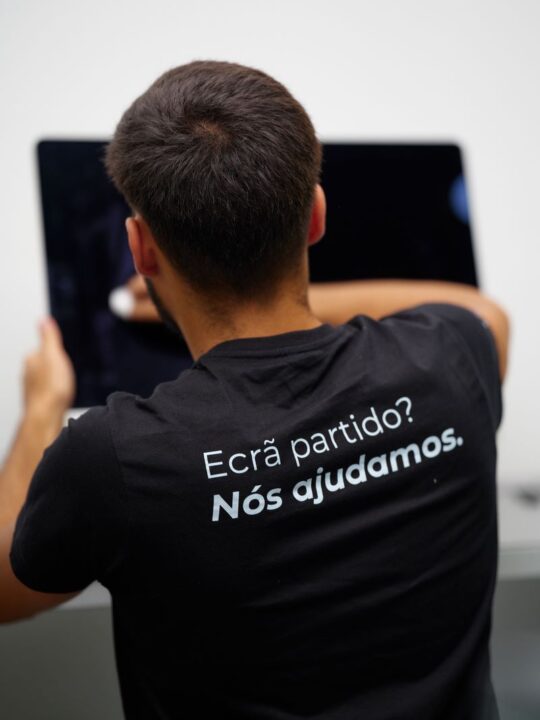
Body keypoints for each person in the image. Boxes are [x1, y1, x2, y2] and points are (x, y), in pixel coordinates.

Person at [0, 61, 509, 719]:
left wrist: (41, 410)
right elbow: (480, 310)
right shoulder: (451, 359)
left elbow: (6, 592)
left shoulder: (115, 458)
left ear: (141, 249)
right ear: (316, 215)